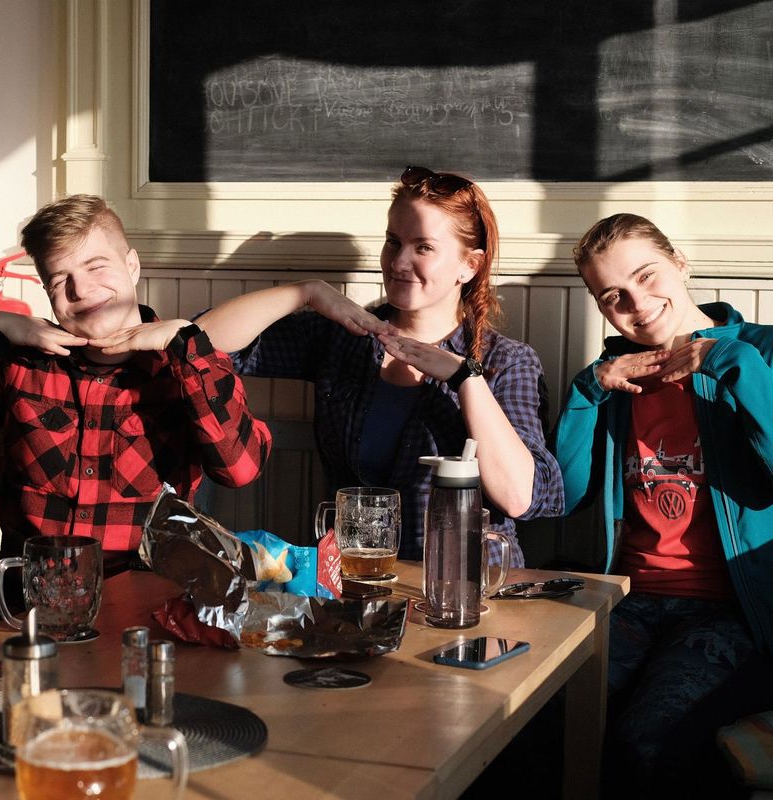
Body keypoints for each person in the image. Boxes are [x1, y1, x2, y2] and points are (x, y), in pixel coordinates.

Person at [0, 194, 271, 633]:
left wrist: (183, 341)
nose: (81, 290)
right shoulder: (21, 364)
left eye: (97, 266)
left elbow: (241, 470)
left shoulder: (186, 365)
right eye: (60, 279)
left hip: (145, 611)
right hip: (29, 609)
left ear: (132, 266)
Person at [196, 166, 563, 564]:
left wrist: (464, 378)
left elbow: (520, 498)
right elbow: (199, 344)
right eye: (393, 242)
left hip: (466, 592)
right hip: (359, 584)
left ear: (469, 265)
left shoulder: (506, 362)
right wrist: (308, 291)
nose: (399, 262)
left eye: (423, 247)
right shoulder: (343, 337)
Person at [553, 213, 773, 797]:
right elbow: (566, 497)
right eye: (613, 296)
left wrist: (729, 362)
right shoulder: (616, 382)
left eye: (649, 277)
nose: (638, 304)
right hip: (632, 600)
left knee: (648, 739)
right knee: (537, 714)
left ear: (680, 264)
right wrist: (587, 390)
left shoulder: (763, 353)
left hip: (737, 613)